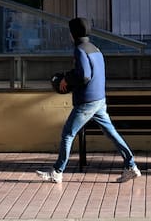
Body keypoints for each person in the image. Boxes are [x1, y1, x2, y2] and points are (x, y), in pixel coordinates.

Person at [36, 17, 142, 185]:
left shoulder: (79, 50)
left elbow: (84, 75)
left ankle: (57, 172)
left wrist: (66, 79)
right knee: (111, 133)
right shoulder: (95, 49)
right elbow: (91, 72)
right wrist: (70, 76)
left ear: (73, 33)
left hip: (87, 101)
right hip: (99, 99)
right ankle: (131, 166)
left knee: (68, 134)